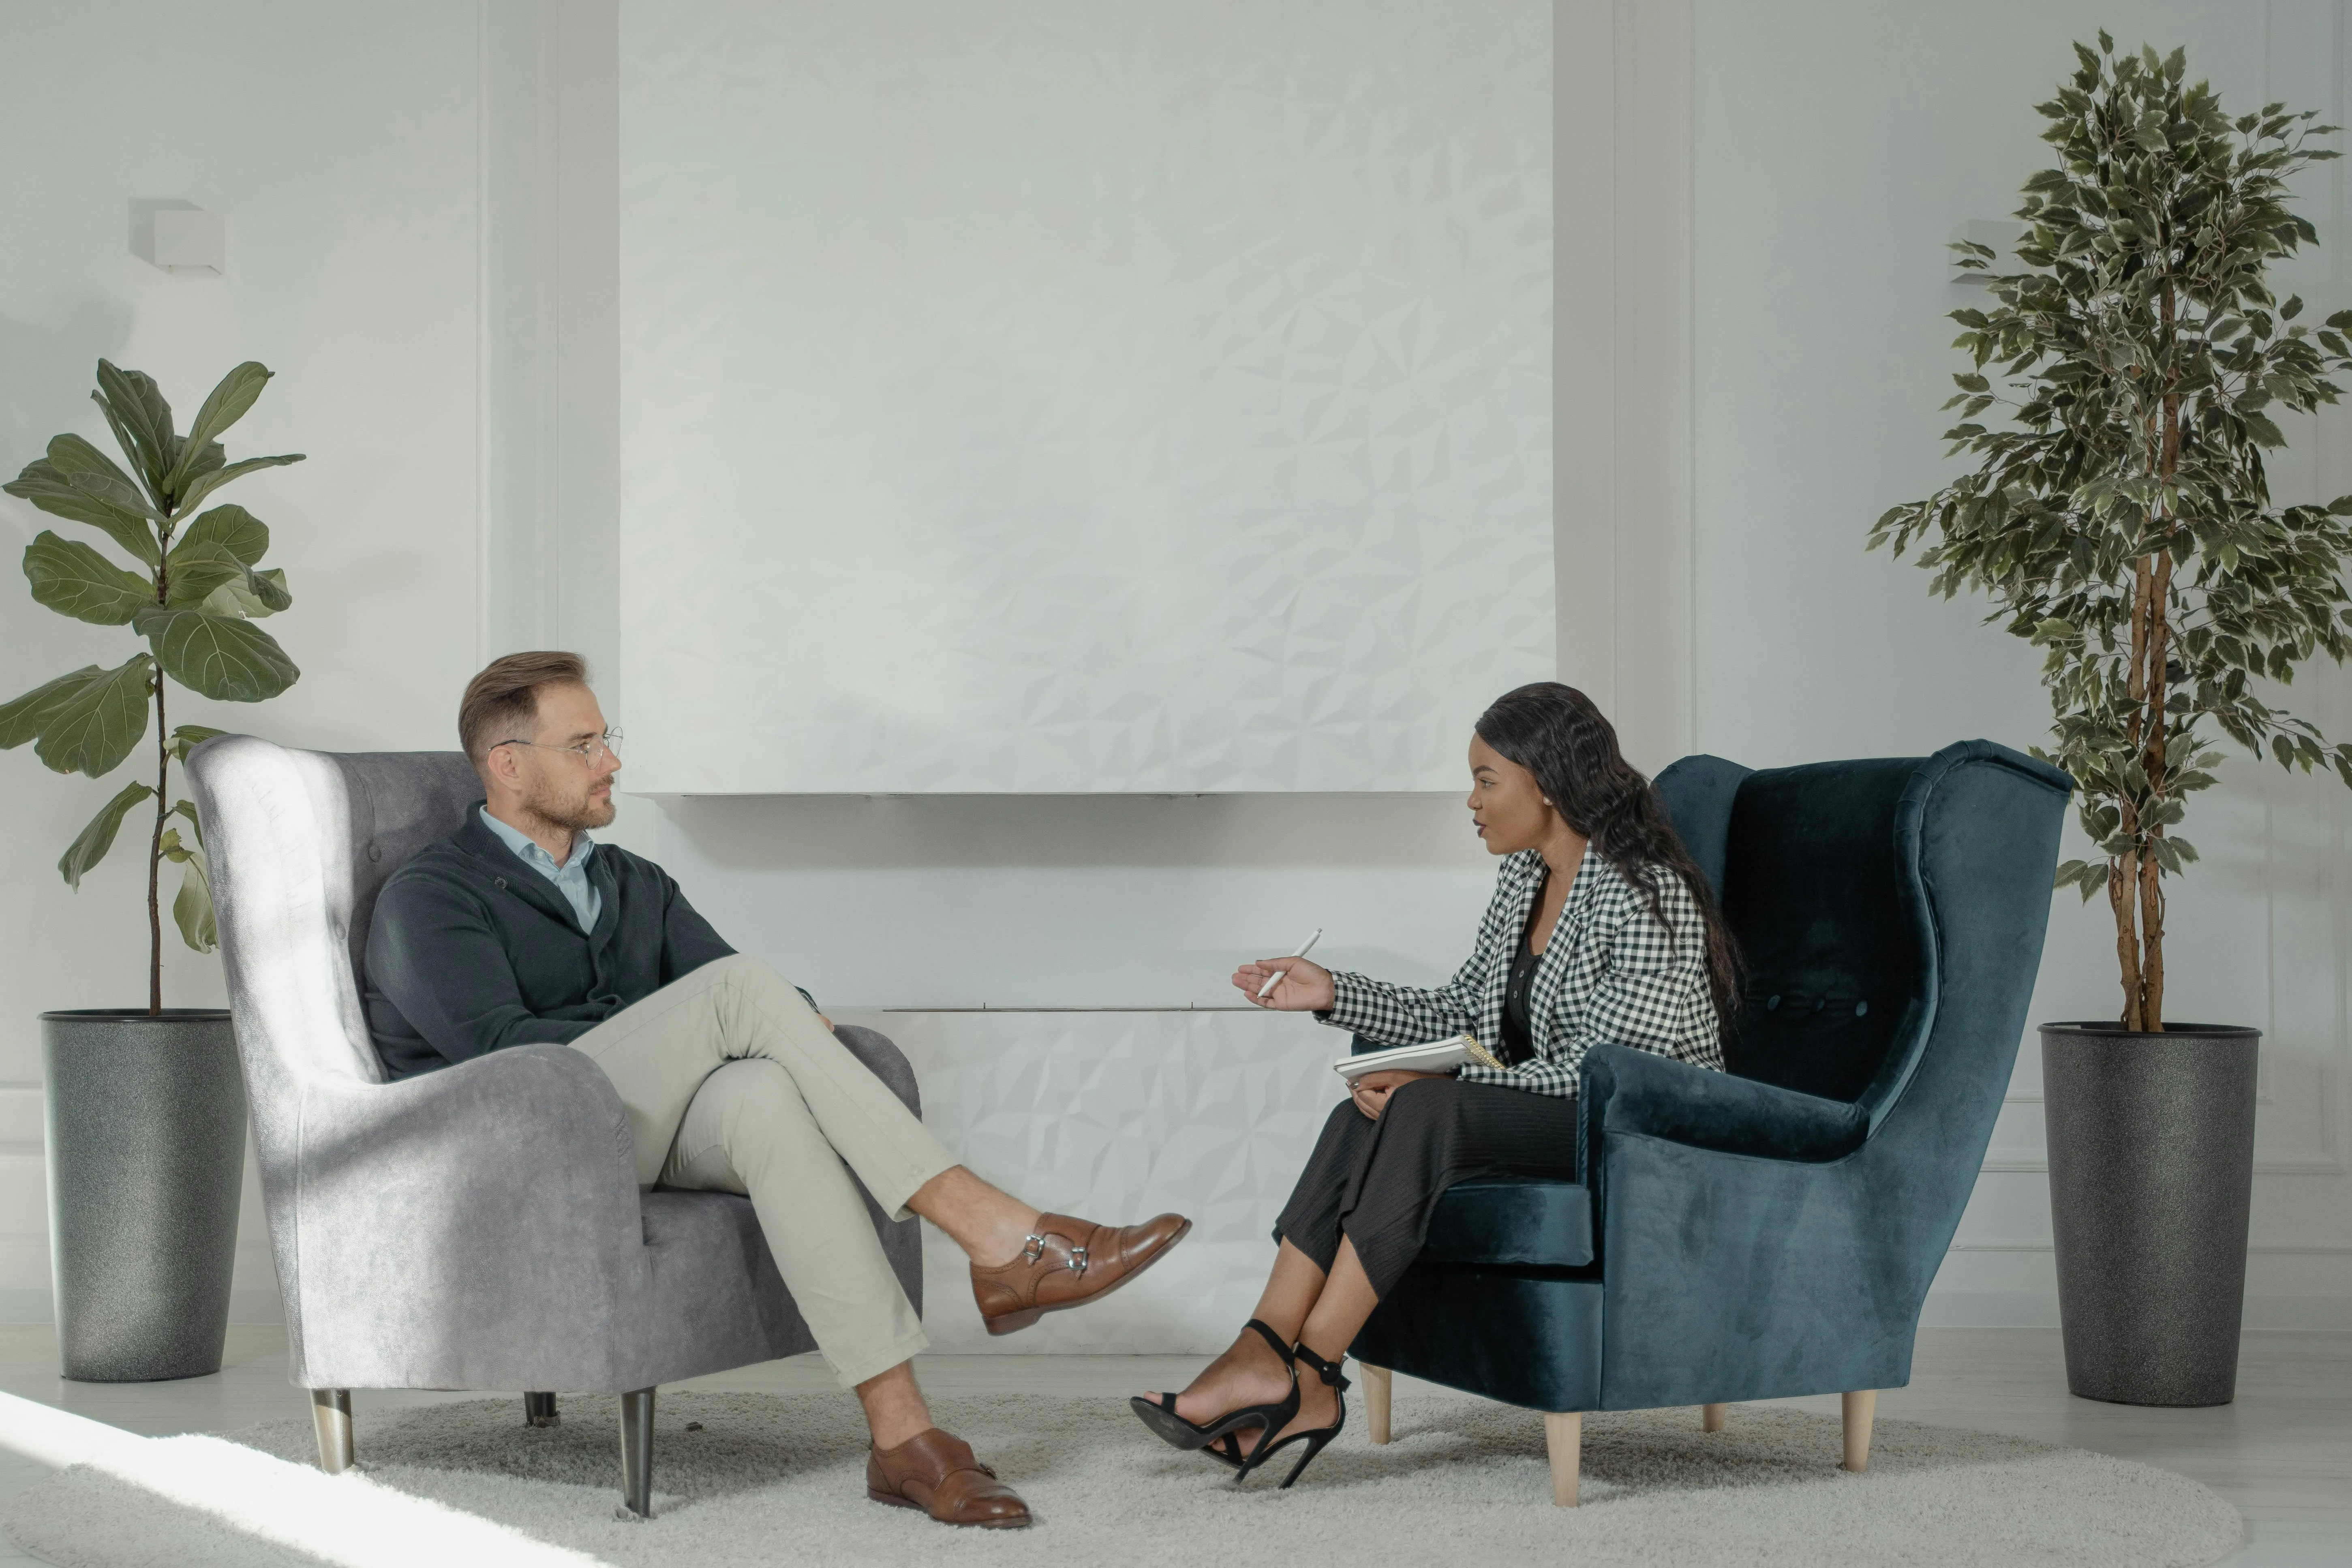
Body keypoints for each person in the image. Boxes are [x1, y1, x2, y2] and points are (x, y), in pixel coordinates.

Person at [365, 651, 1190, 1529]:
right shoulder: (429, 896)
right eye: (585, 744)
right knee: (747, 995)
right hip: (519, 1144)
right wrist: (730, 1017)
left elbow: (741, 996)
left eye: (608, 738)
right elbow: (504, 1056)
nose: (612, 761)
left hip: (634, 1123)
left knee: (765, 1096)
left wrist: (781, 1024)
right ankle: (998, 1234)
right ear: (510, 763)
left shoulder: (630, 881)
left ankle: (903, 1436)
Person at [1130, 682, 1734, 1487]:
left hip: (1638, 1130)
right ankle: (1265, 1347)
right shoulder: (1526, 878)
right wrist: (1333, 990)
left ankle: (1311, 1374)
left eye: (1487, 779)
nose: (1471, 800)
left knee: (1419, 1101)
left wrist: (1435, 1076)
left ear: (1546, 781)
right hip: (1559, 1110)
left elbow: (1612, 1069)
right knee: (1365, 1112)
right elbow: (1463, 1007)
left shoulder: (1647, 893)